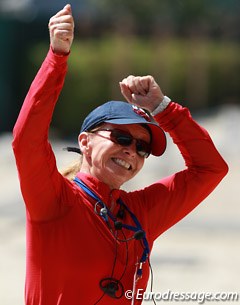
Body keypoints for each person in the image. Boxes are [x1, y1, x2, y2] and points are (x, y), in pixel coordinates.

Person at [12, 4, 228, 305]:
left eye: (142, 147)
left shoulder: (140, 212)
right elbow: (27, 141)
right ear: (85, 142)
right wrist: (57, 59)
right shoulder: (53, 200)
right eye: (121, 136)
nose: (132, 151)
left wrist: (163, 109)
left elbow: (210, 169)